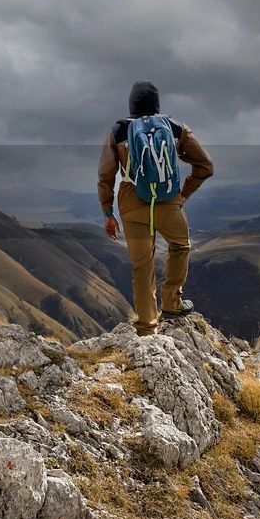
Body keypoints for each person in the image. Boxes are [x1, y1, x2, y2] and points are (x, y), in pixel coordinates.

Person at [98, 81, 214, 335]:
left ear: (131, 105)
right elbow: (206, 166)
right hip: (168, 200)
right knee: (180, 246)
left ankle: (146, 327)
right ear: (157, 103)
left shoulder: (118, 130)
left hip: (131, 204)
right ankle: (172, 303)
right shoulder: (174, 127)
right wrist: (184, 193)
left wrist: (108, 213)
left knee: (142, 266)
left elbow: (106, 175)